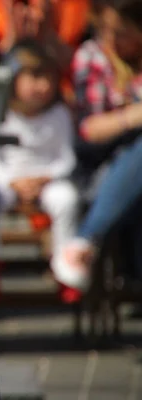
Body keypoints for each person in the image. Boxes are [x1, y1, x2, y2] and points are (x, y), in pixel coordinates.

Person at [0, 39, 80, 288]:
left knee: (68, 199)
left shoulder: (60, 115)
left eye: (48, 77)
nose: (43, 85)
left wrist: (45, 178)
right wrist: (12, 182)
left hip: (47, 182)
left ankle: (64, 266)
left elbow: (67, 158)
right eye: (33, 77)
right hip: (8, 181)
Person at [55, 0, 142, 287]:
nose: (112, 39)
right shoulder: (93, 56)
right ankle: (85, 238)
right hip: (101, 168)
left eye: (122, 31)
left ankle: (84, 241)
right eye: (106, 30)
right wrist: (131, 117)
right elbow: (89, 130)